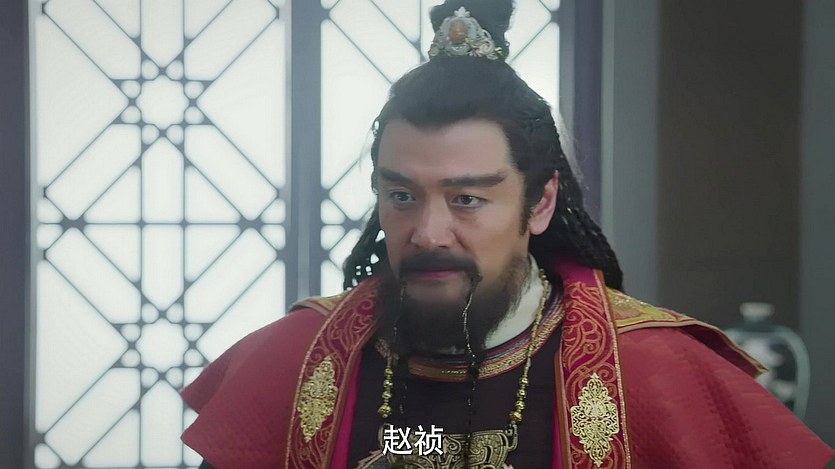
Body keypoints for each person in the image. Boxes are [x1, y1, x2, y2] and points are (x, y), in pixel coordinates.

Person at [180, 1, 834, 467]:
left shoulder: (655, 369)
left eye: (466, 199)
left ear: (540, 202)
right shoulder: (294, 361)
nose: (428, 232)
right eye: (402, 195)